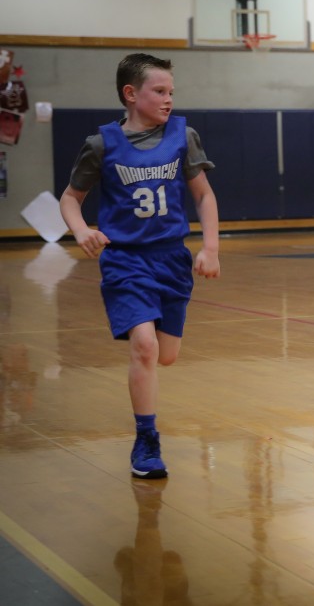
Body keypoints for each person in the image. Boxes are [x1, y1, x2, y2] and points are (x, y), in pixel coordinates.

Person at [59, 53, 220, 477]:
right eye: (159, 92)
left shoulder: (184, 137)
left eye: (171, 92)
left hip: (171, 260)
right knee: (145, 346)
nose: (169, 100)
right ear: (131, 94)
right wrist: (80, 231)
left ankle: (145, 380)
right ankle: (147, 440)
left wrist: (211, 248)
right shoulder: (102, 144)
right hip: (125, 260)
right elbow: (70, 199)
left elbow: (203, 195)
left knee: (166, 355)